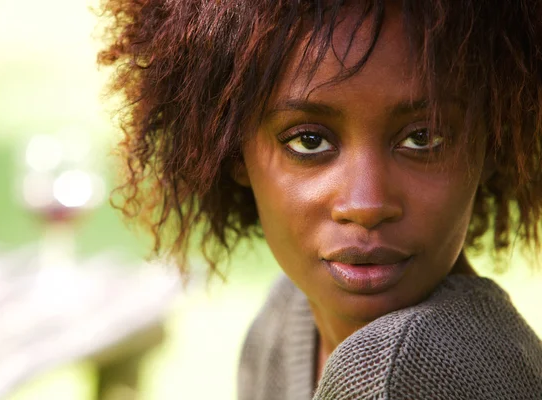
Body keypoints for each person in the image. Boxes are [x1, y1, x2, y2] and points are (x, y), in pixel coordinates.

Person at [97, 0, 542, 398]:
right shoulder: (285, 319)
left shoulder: (407, 372)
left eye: (423, 138)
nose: (365, 204)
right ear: (231, 149)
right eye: (309, 141)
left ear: (494, 144)